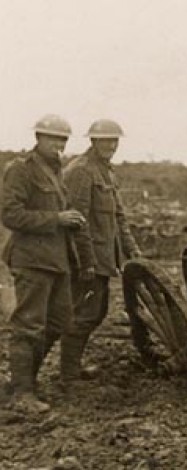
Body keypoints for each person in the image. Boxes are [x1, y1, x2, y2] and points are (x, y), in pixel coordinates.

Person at [1, 114, 86, 413]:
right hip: (32, 259)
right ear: (38, 138)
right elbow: (9, 214)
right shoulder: (21, 170)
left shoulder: (56, 171)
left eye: (63, 139)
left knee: (59, 322)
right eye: (53, 138)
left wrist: (69, 222)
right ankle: (22, 393)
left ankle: (23, 381)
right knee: (28, 325)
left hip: (58, 260)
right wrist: (56, 219)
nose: (59, 145)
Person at [60, 119, 142, 381]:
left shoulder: (106, 172)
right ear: (93, 141)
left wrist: (133, 251)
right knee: (85, 313)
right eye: (105, 140)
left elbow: (119, 217)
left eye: (114, 141)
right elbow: (77, 221)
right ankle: (69, 373)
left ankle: (72, 367)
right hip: (87, 258)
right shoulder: (81, 171)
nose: (111, 146)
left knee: (96, 312)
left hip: (104, 258)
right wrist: (86, 263)